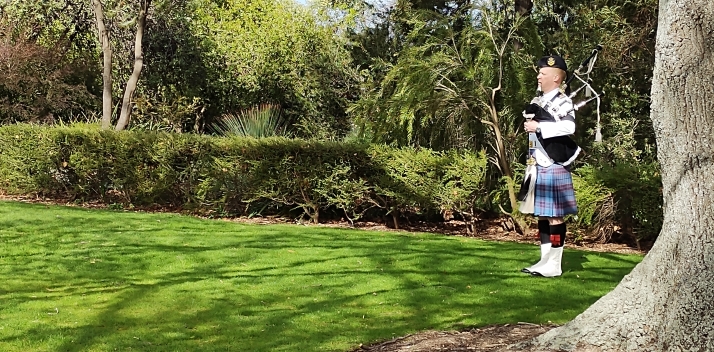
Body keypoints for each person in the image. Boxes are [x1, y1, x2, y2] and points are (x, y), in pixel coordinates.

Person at [520, 55, 579, 277]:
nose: (538, 76)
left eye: (542, 73)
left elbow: (569, 127)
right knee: (543, 215)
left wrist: (539, 126)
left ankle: (555, 263)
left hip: (554, 164)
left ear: (555, 78)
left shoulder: (563, 102)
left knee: (555, 216)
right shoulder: (538, 101)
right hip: (537, 163)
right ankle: (544, 260)